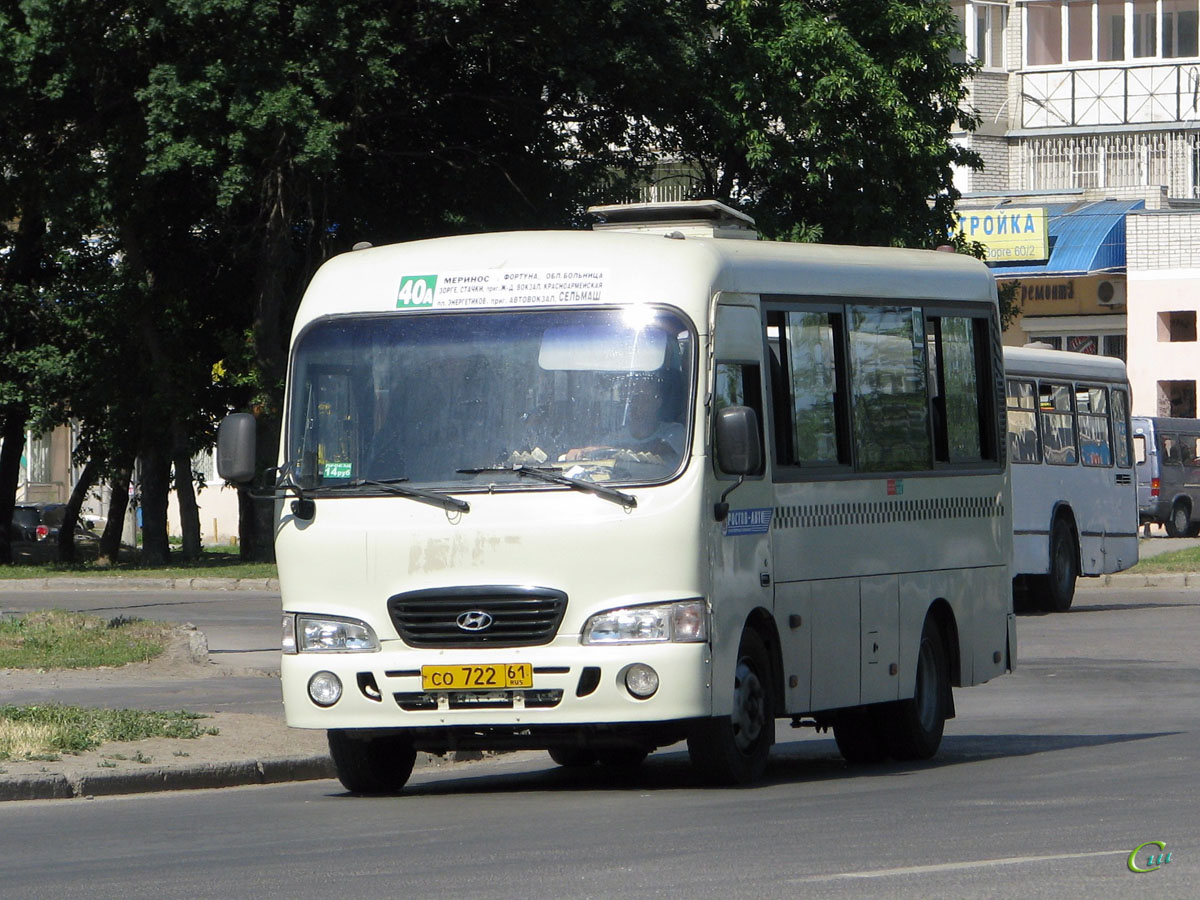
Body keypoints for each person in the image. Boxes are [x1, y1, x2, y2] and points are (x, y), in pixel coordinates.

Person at [563, 375, 685, 463]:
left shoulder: (674, 433)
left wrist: (608, 450)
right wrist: (582, 452)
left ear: (657, 402)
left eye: (642, 398)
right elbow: (603, 456)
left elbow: (656, 448)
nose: (636, 404)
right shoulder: (615, 438)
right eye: (632, 399)